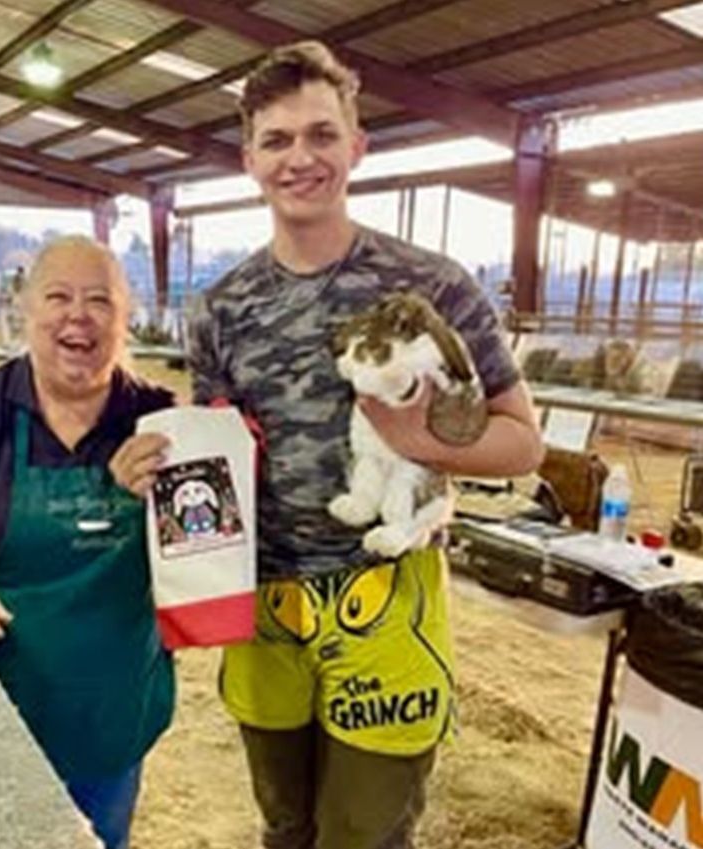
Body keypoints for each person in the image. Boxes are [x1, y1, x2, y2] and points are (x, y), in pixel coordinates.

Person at [186, 42, 545, 849]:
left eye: (320, 134)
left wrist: (421, 440)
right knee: (285, 827)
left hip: (386, 591)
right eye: (276, 141)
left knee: (365, 835)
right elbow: (209, 460)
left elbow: (523, 443)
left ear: (357, 145)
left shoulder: (432, 286)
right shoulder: (220, 307)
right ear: (249, 159)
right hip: (265, 604)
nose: (299, 158)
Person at [0, 235, 175, 849]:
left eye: (100, 300)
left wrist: (168, 491)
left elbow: (217, 545)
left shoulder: (162, 420)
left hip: (112, 714)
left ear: (126, 319)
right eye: (59, 296)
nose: (78, 315)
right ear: (25, 312)